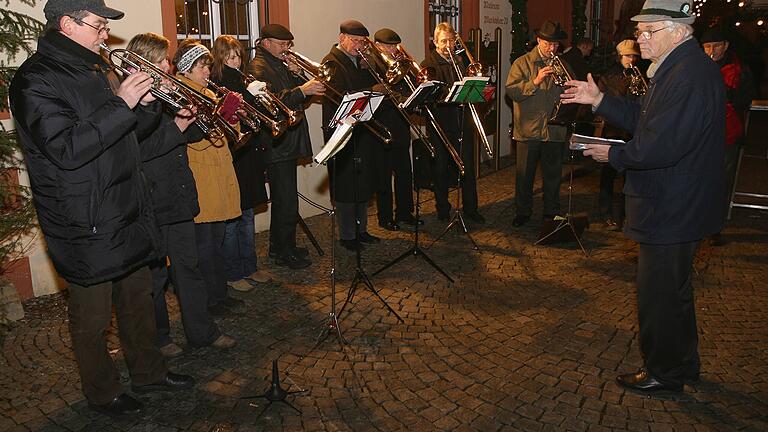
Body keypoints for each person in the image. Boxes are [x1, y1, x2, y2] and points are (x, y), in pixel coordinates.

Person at [9, 0, 194, 416]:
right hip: (85, 218)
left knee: (138, 301)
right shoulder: (34, 79)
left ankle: (149, 373)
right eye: (97, 25)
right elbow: (68, 149)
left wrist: (146, 107)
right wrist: (122, 103)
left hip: (125, 208)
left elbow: (128, 137)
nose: (104, 34)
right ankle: (103, 392)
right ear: (67, 25)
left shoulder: (93, 69)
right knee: (92, 320)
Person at [561, 0, 725, 392]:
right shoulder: (679, 68)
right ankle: (682, 363)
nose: (640, 37)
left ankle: (664, 373)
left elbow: (659, 146)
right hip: (677, 203)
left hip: (672, 206)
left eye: (649, 31)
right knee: (674, 291)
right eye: (640, 30)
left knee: (658, 296)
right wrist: (599, 99)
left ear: (678, 31)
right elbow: (645, 118)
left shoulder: (687, 75)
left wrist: (612, 154)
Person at [127, 32, 236, 357]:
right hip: (152, 198)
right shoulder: (131, 99)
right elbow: (141, 149)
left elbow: (185, 138)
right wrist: (177, 124)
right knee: (155, 277)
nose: (168, 66)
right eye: (161, 61)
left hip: (178, 193)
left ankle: (202, 332)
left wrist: (201, 116)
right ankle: (160, 338)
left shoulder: (165, 91)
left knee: (188, 268)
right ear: (143, 61)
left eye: (167, 60)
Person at [172, 40, 245, 316]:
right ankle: (209, 300)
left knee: (216, 241)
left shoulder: (207, 93)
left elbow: (226, 132)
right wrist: (217, 118)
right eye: (203, 67)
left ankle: (219, 293)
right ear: (187, 68)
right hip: (201, 174)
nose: (207, 72)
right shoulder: (182, 94)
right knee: (204, 245)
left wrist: (233, 115)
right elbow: (191, 137)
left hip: (218, 170)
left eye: (207, 66)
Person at [248, 24, 324, 268]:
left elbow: (299, 97)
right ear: (266, 43)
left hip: (288, 142)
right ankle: (281, 252)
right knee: (285, 200)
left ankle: (285, 245)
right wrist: (302, 89)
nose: (286, 49)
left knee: (288, 199)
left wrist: (299, 77)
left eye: (288, 45)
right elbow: (271, 101)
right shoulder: (258, 67)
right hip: (277, 144)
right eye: (282, 44)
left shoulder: (278, 64)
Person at [210, 35, 273, 283]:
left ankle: (249, 267)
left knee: (247, 216)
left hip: (250, 154)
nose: (235, 60)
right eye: (230, 56)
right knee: (233, 220)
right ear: (220, 57)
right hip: (234, 156)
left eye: (238, 55)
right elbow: (228, 117)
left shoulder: (244, 77)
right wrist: (247, 94)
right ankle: (233, 273)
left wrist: (261, 97)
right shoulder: (218, 81)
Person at [321, 20, 382, 251]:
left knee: (361, 182)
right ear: (342, 37)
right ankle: (347, 236)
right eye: (355, 41)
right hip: (341, 129)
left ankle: (361, 230)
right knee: (346, 184)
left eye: (362, 42)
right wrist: (370, 91)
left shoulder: (360, 61)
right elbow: (340, 95)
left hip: (360, 128)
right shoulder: (332, 62)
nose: (359, 45)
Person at [505, 20, 569, 227]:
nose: (552, 49)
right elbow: (512, 92)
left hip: (554, 128)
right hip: (529, 128)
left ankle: (551, 211)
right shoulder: (522, 63)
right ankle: (523, 211)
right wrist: (535, 81)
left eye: (556, 45)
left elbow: (571, 90)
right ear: (539, 40)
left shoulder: (562, 63)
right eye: (548, 44)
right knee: (525, 175)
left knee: (553, 175)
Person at [421, 22, 485, 224]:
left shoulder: (460, 61)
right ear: (435, 42)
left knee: (467, 167)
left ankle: (471, 209)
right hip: (440, 122)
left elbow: (471, 88)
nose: (448, 45)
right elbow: (431, 94)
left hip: (462, 121)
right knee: (440, 168)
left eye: (451, 40)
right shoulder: (428, 64)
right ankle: (442, 208)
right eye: (443, 41)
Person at [701, 26, 756, 245]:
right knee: (699, 177)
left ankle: (715, 225)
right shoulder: (698, 66)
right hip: (701, 132)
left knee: (722, 180)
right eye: (707, 46)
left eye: (715, 45)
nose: (711, 50)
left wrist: (724, 90)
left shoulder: (739, 69)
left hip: (728, 133)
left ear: (725, 46)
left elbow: (746, 99)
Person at [369, 28, 423, 230]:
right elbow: (377, 96)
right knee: (384, 175)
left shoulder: (401, 63)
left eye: (395, 45)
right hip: (382, 125)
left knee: (404, 172)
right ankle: (385, 217)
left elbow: (408, 90)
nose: (393, 49)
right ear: (378, 46)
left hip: (401, 124)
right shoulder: (371, 64)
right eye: (389, 46)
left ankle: (404, 212)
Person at [595, 39, 642, 229]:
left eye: (634, 56)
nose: (631, 60)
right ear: (619, 56)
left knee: (628, 176)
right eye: (627, 56)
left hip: (631, 131)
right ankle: (606, 213)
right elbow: (608, 101)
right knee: (608, 175)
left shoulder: (639, 75)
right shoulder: (610, 76)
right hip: (613, 130)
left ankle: (624, 215)